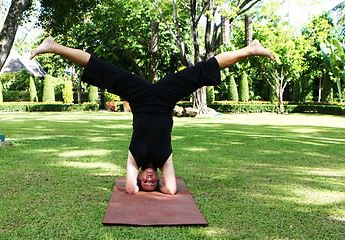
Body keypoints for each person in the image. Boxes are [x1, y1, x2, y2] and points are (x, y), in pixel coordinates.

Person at [31, 37, 275, 195]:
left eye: (143, 182)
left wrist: (136, 184)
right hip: (166, 97)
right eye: (151, 182)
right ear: (157, 178)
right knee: (202, 72)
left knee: (104, 70)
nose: (148, 180)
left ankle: (54, 47)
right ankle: (250, 49)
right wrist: (159, 183)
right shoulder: (164, 159)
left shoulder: (134, 160)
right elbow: (170, 189)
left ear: (138, 178)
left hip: (140, 97)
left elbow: (129, 188)